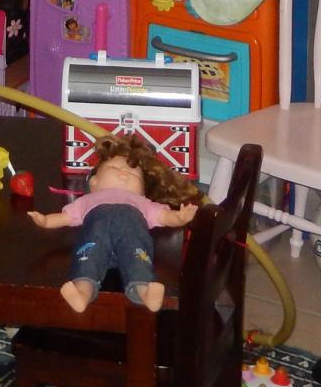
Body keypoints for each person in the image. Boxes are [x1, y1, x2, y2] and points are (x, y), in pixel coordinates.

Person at [29, 133, 203, 312]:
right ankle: (82, 293)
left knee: (138, 258)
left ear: (142, 191)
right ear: (94, 182)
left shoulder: (143, 203)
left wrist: (179, 218)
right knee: (88, 259)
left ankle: (145, 293)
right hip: (96, 236)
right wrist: (46, 221)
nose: (123, 173)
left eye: (133, 173)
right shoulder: (87, 200)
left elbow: (164, 216)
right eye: (113, 167)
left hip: (131, 236)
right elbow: (65, 217)